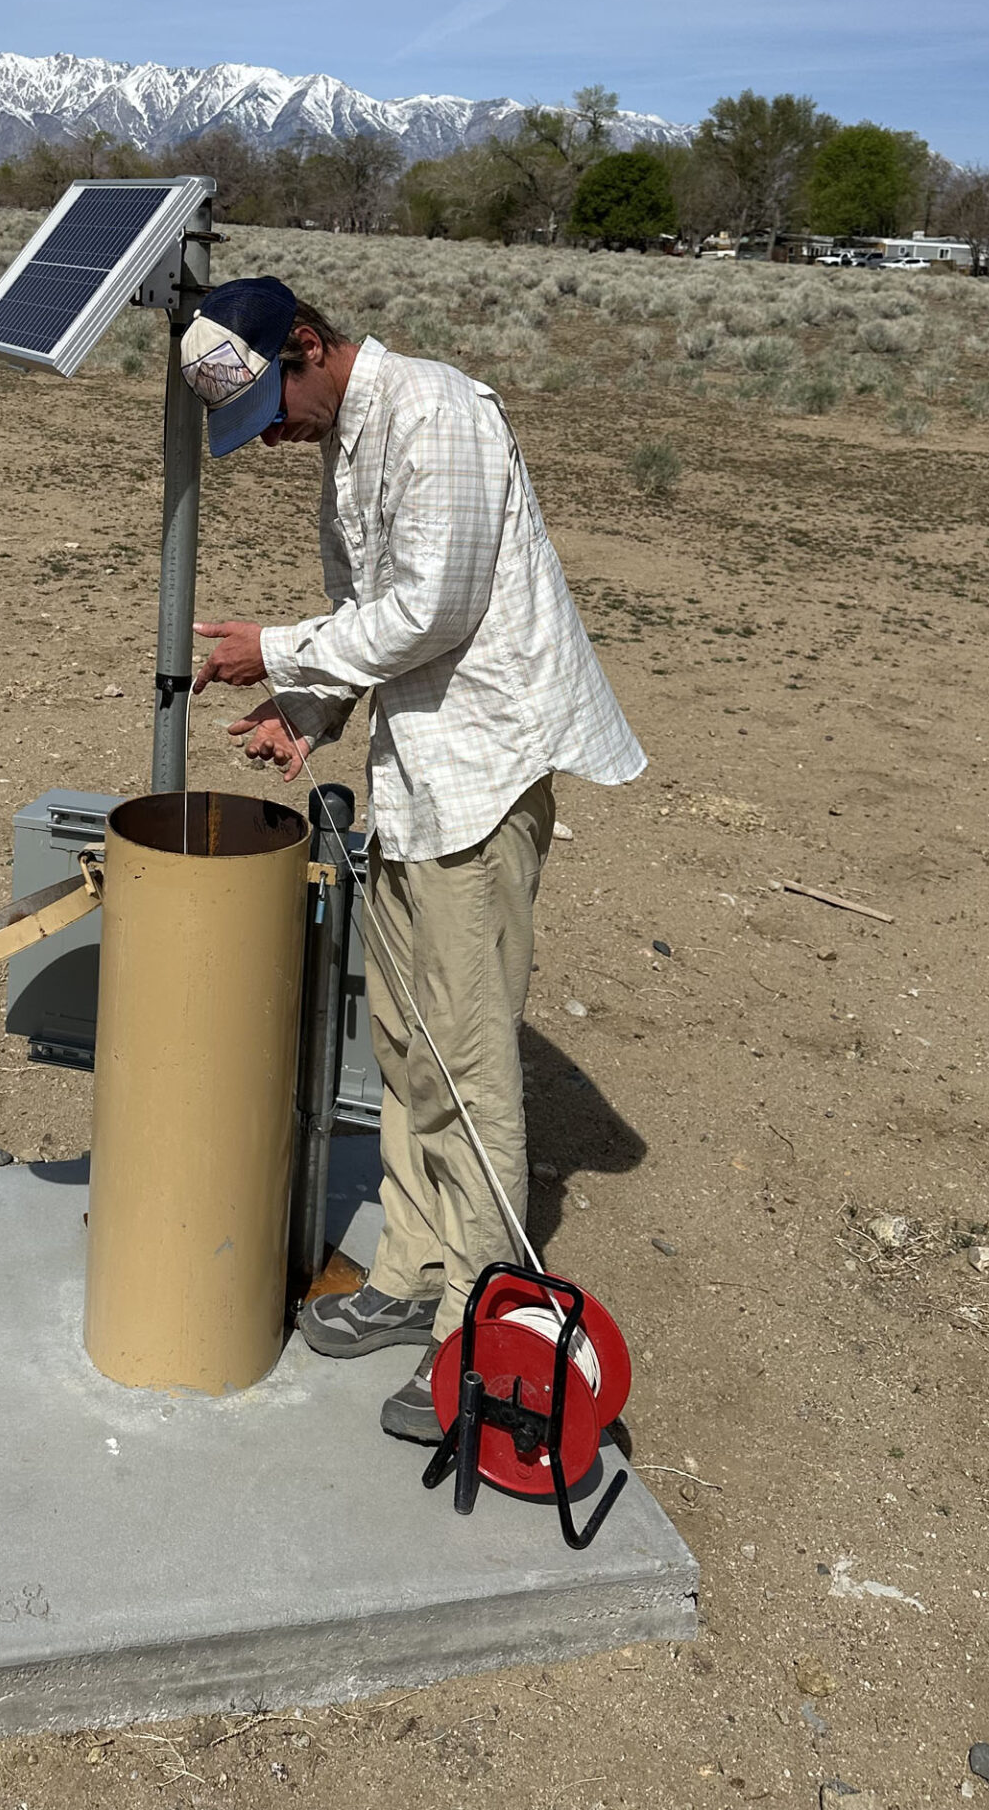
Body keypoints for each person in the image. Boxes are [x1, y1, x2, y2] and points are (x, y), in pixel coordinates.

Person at [184, 274, 646, 1444]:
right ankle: (410, 1268)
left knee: (471, 1053)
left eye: (271, 409)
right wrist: (312, 711)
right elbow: (374, 621)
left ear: (306, 343)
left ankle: (477, 1330)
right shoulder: (350, 444)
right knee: (404, 1039)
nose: (275, 439)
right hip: (413, 776)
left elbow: (433, 608)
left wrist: (274, 650)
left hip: (480, 779)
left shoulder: (439, 414)